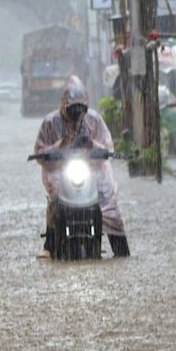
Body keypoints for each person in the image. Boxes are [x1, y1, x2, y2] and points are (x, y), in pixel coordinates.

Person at [33, 77, 130, 258]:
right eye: (72, 109)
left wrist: (92, 144)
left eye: (80, 108)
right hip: (60, 169)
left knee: (109, 201)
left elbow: (108, 147)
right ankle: (51, 244)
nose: (76, 113)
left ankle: (121, 249)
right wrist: (56, 147)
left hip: (93, 169)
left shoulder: (94, 120)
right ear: (63, 105)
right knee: (56, 197)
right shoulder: (50, 122)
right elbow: (39, 149)